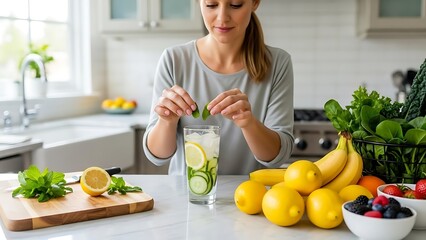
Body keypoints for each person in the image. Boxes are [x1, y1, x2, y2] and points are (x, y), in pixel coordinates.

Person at [143, 0, 294, 175]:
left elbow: (278, 156)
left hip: (250, 197)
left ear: (254, 3)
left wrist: (249, 123)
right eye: (211, 5)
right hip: (186, 198)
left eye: (236, 5)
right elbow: (157, 155)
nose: (222, 18)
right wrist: (166, 121)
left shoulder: (278, 63)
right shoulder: (174, 59)